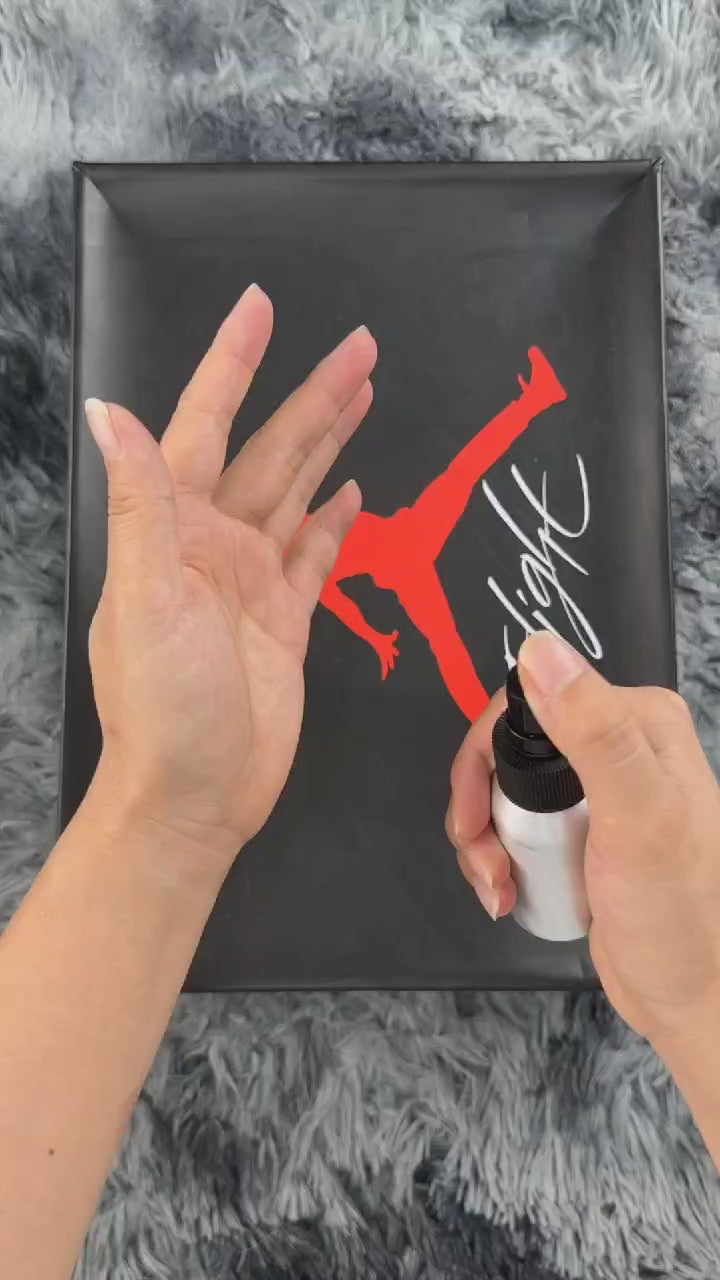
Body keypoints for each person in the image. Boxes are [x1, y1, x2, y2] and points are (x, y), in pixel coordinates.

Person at [0, 286, 717, 1280]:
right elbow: (338, 586)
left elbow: (352, 574)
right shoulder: (330, 562)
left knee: (467, 606)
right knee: (466, 638)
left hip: (408, 555)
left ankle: (533, 401)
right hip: (402, 567)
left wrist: (164, 809)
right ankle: (533, 402)